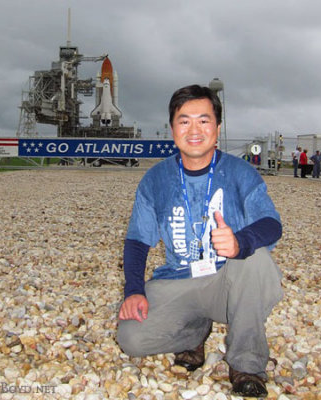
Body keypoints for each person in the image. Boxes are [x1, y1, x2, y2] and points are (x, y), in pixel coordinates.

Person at [117, 85, 283, 398]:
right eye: (184, 121)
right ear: (172, 129)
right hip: (179, 280)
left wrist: (239, 242)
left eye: (204, 121)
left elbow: (272, 224)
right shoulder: (156, 179)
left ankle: (247, 364)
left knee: (256, 259)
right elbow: (138, 241)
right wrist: (134, 290)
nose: (194, 129)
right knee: (131, 339)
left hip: (227, 282)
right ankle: (194, 332)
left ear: (217, 128)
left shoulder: (240, 173)